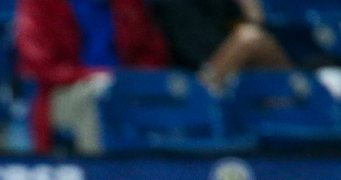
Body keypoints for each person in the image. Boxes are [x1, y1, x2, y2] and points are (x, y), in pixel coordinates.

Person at [16, 0, 171, 154]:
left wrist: (129, 81)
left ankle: (165, 172)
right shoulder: (40, 4)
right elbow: (39, 66)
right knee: (95, 101)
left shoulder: (127, 4)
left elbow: (152, 53)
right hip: (63, 92)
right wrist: (92, 76)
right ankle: (99, 174)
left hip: (126, 88)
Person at [153, 0, 290, 91]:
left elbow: (256, 23)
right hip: (196, 75)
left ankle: (296, 101)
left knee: (252, 38)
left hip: (234, 70)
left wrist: (249, 6)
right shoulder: (174, 4)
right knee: (248, 37)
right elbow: (190, 51)